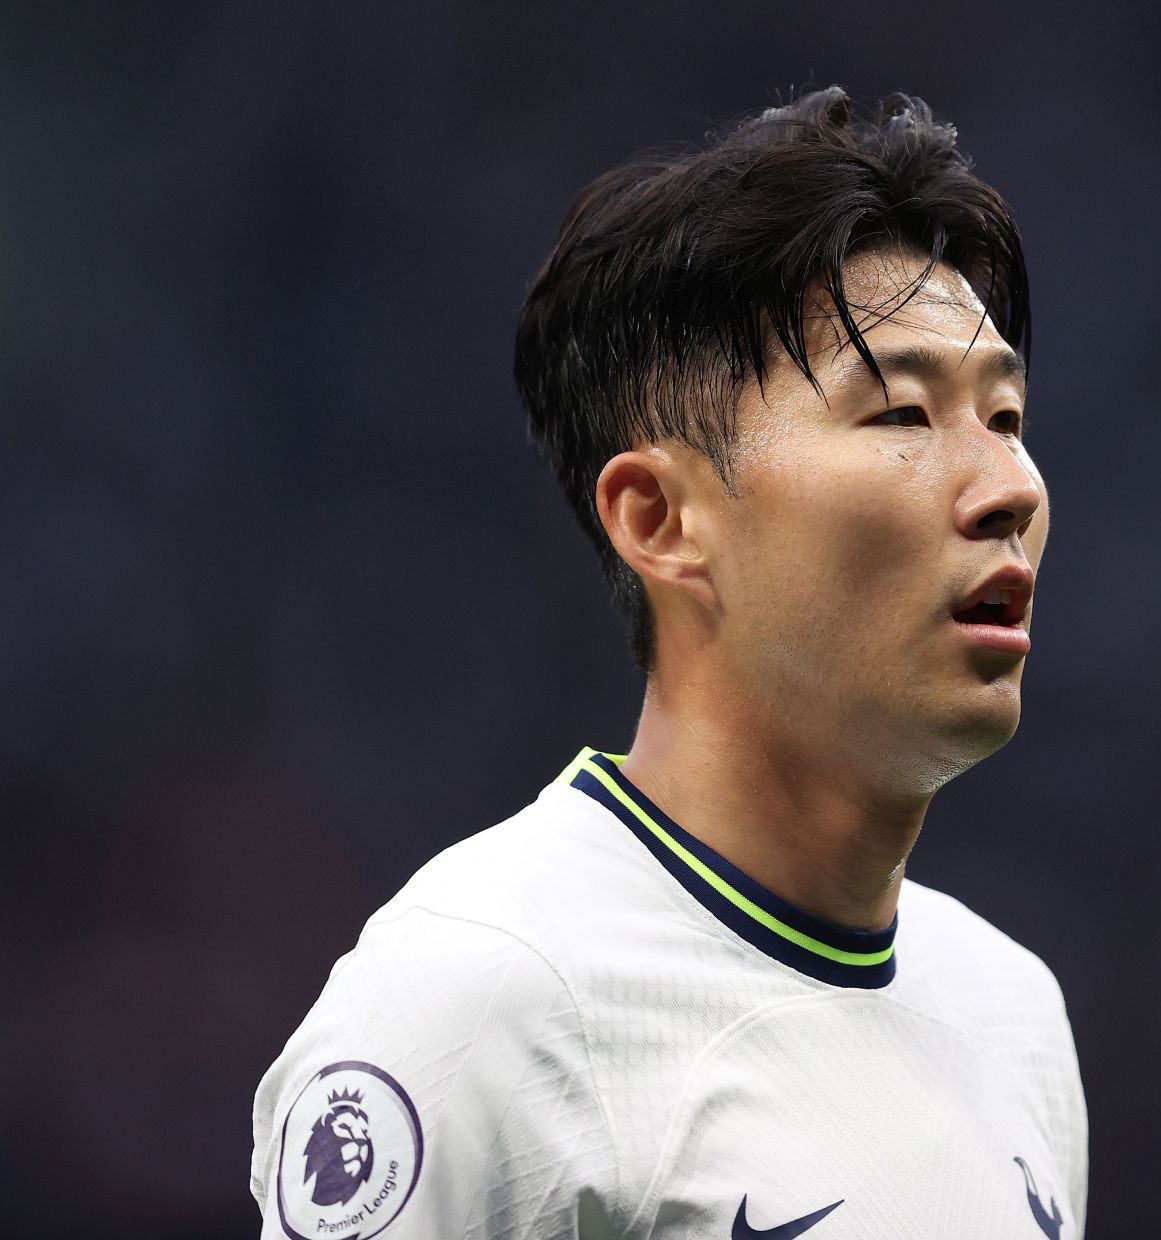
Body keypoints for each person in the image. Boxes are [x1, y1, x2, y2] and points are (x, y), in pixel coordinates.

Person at [248, 85, 1086, 1239]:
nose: (1010, 489)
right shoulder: (480, 1004)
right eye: (901, 415)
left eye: (1005, 419)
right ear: (659, 520)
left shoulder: (1013, 1016)